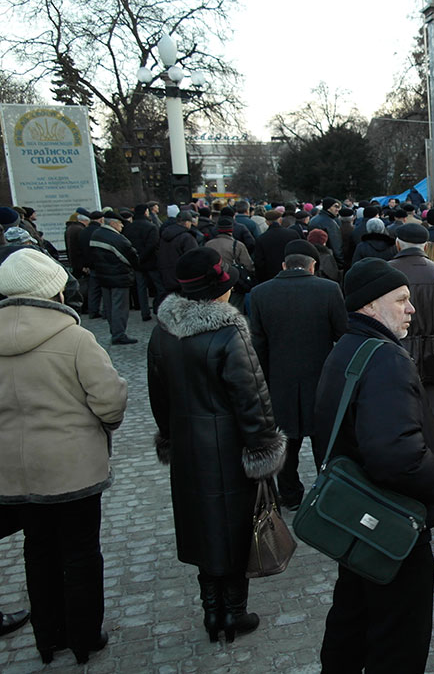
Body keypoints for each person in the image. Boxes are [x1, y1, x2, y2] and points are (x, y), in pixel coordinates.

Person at [313, 258, 434, 673]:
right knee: (398, 641)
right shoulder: (385, 358)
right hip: (390, 524)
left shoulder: (347, 347)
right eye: (402, 299)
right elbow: (396, 456)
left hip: (359, 517)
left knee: (352, 620)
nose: (411, 309)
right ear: (370, 307)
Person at [147, 248, 285, 644]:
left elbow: (159, 396)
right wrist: (263, 449)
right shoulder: (229, 332)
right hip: (230, 450)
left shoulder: (162, 331)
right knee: (236, 530)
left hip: (188, 449)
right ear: (217, 292)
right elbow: (252, 398)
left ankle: (212, 614)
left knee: (203, 529)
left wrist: (171, 436)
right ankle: (233, 614)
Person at [0, 249, 127, 664]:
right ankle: (84, 637)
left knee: (37, 550)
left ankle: (47, 637)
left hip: (12, 472)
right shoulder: (73, 337)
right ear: (54, 288)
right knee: (81, 551)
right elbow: (109, 401)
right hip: (72, 468)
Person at [249, 240, 347, 510]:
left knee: (286, 443)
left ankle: (290, 496)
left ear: (284, 265)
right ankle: (326, 494)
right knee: (325, 443)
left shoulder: (259, 294)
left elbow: (258, 345)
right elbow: (343, 334)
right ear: (313, 266)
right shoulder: (329, 290)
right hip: (321, 380)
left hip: (279, 382)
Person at [388, 223, 434, 449]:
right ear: (425, 246)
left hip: (396, 352)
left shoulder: (387, 273)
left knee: (398, 416)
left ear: (397, 244)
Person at [88, 216, 140, 344]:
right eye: (120, 223)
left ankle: (114, 331)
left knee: (109, 306)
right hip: (119, 276)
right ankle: (119, 334)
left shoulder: (96, 234)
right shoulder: (116, 238)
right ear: (112, 223)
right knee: (120, 307)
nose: (122, 226)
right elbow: (132, 256)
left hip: (103, 275)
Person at [252, 210, 298, 283]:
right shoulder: (293, 234)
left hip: (270, 276)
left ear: (267, 222)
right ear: (280, 220)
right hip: (291, 272)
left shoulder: (261, 238)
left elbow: (259, 261)